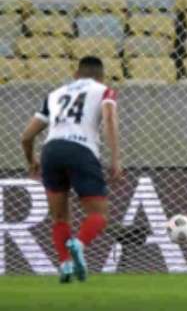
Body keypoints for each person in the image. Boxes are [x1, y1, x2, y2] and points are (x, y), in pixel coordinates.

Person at [20, 56, 122, 283]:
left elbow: (26, 137)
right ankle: (78, 244)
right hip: (81, 150)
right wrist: (115, 158)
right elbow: (109, 119)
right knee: (99, 214)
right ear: (101, 76)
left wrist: (31, 161)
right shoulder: (105, 91)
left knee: (59, 217)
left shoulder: (54, 94)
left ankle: (65, 264)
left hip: (51, 150)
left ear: (76, 74)